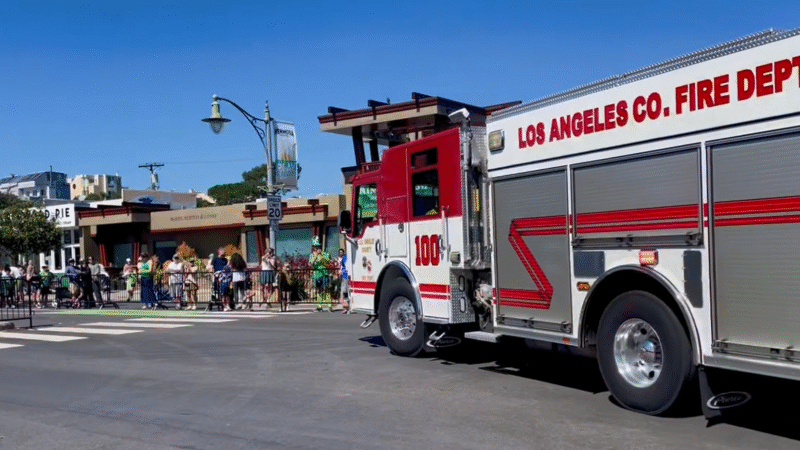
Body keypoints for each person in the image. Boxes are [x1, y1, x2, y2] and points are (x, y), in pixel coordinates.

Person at [310, 236, 332, 312]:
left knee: (325, 289)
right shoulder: (312, 255)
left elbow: (327, 261)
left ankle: (329, 306)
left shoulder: (324, 254)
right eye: (315, 247)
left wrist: (321, 255)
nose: (316, 248)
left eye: (317, 247)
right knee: (318, 290)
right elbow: (311, 263)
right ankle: (319, 306)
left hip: (323, 274)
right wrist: (316, 256)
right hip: (316, 275)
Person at [337, 248, 351, 314]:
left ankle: (346, 308)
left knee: (345, 292)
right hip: (345, 276)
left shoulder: (345, 258)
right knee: (346, 293)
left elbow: (345, 266)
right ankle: (346, 307)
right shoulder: (345, 257)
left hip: (346, 276)